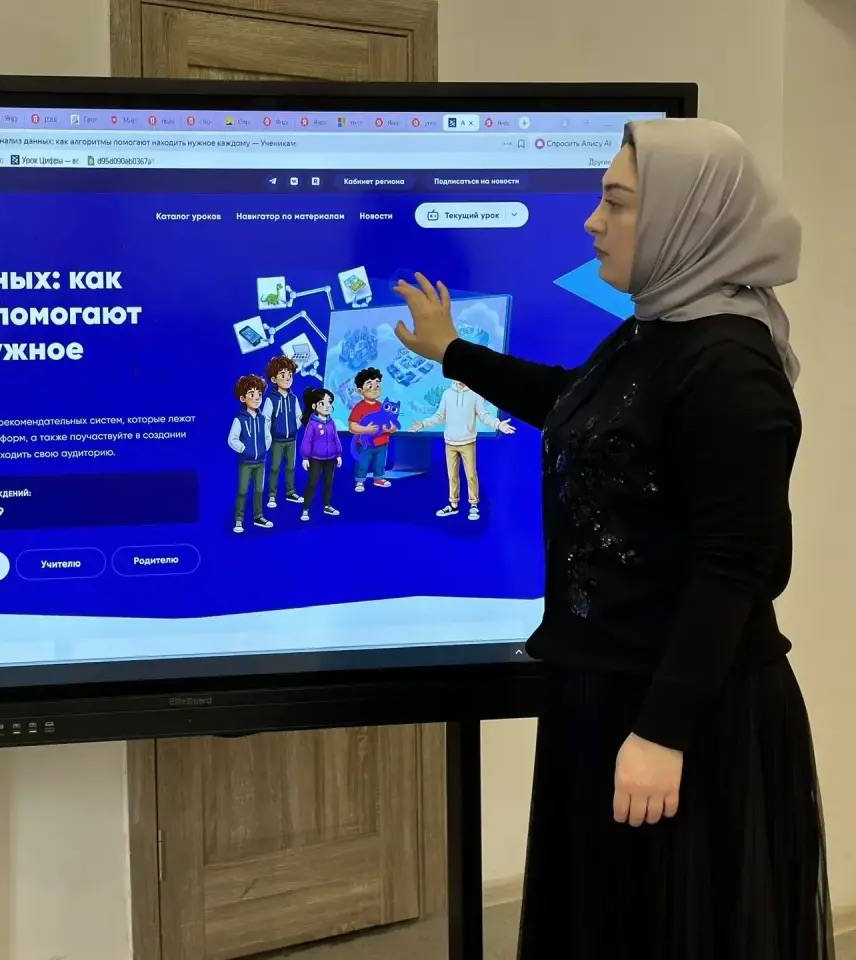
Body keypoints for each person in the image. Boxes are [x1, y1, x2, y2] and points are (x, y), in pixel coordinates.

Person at [394, 118, 834, 959]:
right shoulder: (657, 329)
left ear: (685, 217)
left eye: (618, 203)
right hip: (610, 692)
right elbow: (584, 408)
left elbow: (734, 566)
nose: (593, 222)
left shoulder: (730, 364)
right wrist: (453, 353)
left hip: (681, 715)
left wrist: (663, 732)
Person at [410, 379, 516, 520]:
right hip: (450, 443)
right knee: (452, 475)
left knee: (471, 475)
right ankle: (453, 505)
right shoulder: (447, 394)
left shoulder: (475, 394)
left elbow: (484, 416)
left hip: (468, 442)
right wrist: (423, 424)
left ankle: (473, 505)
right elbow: (439, 416)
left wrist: (498, 424)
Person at [226, 373, 274, 534]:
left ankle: (258, 517)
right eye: (251, 394)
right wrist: (244, 449)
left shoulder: (262, 419)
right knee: (243, 491)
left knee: (259, 491)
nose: (257, 397)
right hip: (246, 463)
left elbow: (268, 436)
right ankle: (239, 520)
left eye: (259, 394)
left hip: (260, 462)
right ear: (242, 398)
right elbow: (232, 439)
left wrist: (263, 449)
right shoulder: (239, 420)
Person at [262, 355, 306, 509]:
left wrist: (295, 427)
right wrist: (268, 436)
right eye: (283, 375)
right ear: (274, 379)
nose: (287, 378)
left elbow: (299, 416)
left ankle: (290, 492)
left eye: (290, 375)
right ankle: (272, 496)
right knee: (274, 468)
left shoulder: (293, 398)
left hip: (291, 440)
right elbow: (266, 419)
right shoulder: (271, 399)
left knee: (291, 467)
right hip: (276, 441)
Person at [297, 386, 343, 520]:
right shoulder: (312, 424)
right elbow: (307, 441)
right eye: (322, 403)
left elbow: (336, 438)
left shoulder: (331, 423)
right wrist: (305, 457)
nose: (327, 406)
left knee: (329, 482)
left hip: (331, 458)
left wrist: (338, 454)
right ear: (314, 406)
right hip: (315, 459)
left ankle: (327, 505)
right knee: (312, 482)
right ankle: (306, 509)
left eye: (329, 402)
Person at [348, 367, 396, 491]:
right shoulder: (359, 407)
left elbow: (391, 423)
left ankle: (379, 478)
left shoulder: (384, 407)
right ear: (360, 390)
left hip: (382, 443)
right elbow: (352, 426)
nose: (375, 387)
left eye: (377, 384)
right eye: (370, 385)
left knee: (380, 463)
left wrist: (391, 428)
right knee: (362, 463)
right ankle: (360, 481)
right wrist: (365, 429)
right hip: (365, 444)